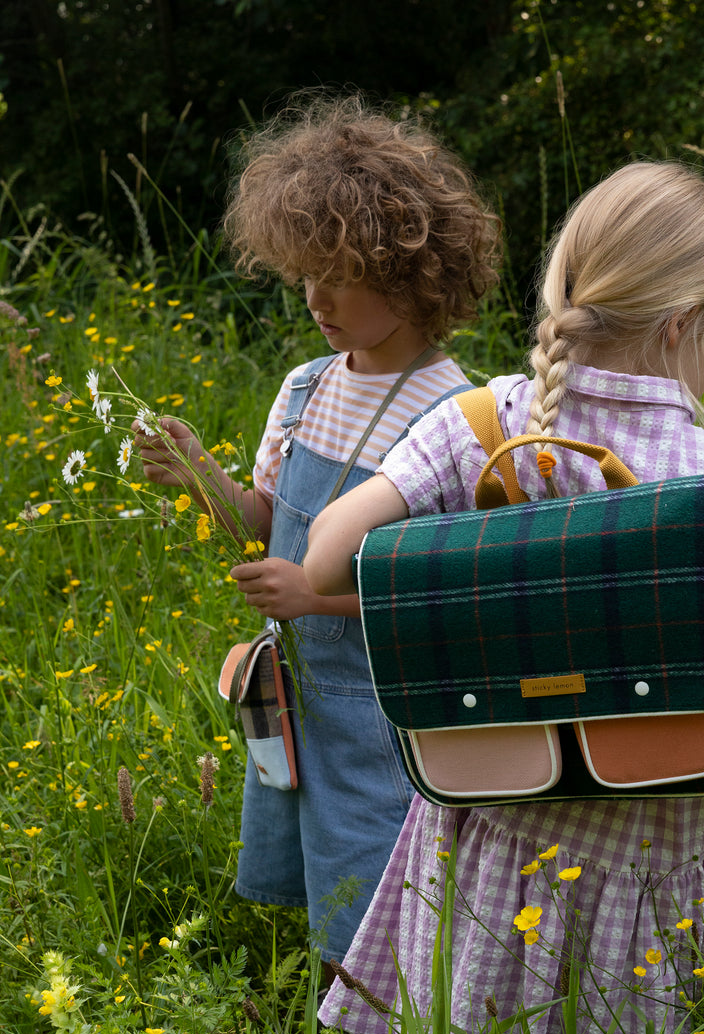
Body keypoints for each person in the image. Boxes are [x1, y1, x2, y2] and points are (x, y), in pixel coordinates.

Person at [305, 160, 704, 1034]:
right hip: (645, 843)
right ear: (682, 326)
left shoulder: (478, 421)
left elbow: (326, 558)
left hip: (484, 823)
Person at [137, 95, 501, 967]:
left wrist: (315, 597)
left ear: (414, 274)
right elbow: (268, 517)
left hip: (387, 713)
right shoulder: (306, 387)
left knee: (384, 887)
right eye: (304, 270)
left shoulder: (457, 414)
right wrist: (205, 481)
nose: (314, 296)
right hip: (299, 697)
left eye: (340, 274)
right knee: (320, 879)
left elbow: (448, 594)